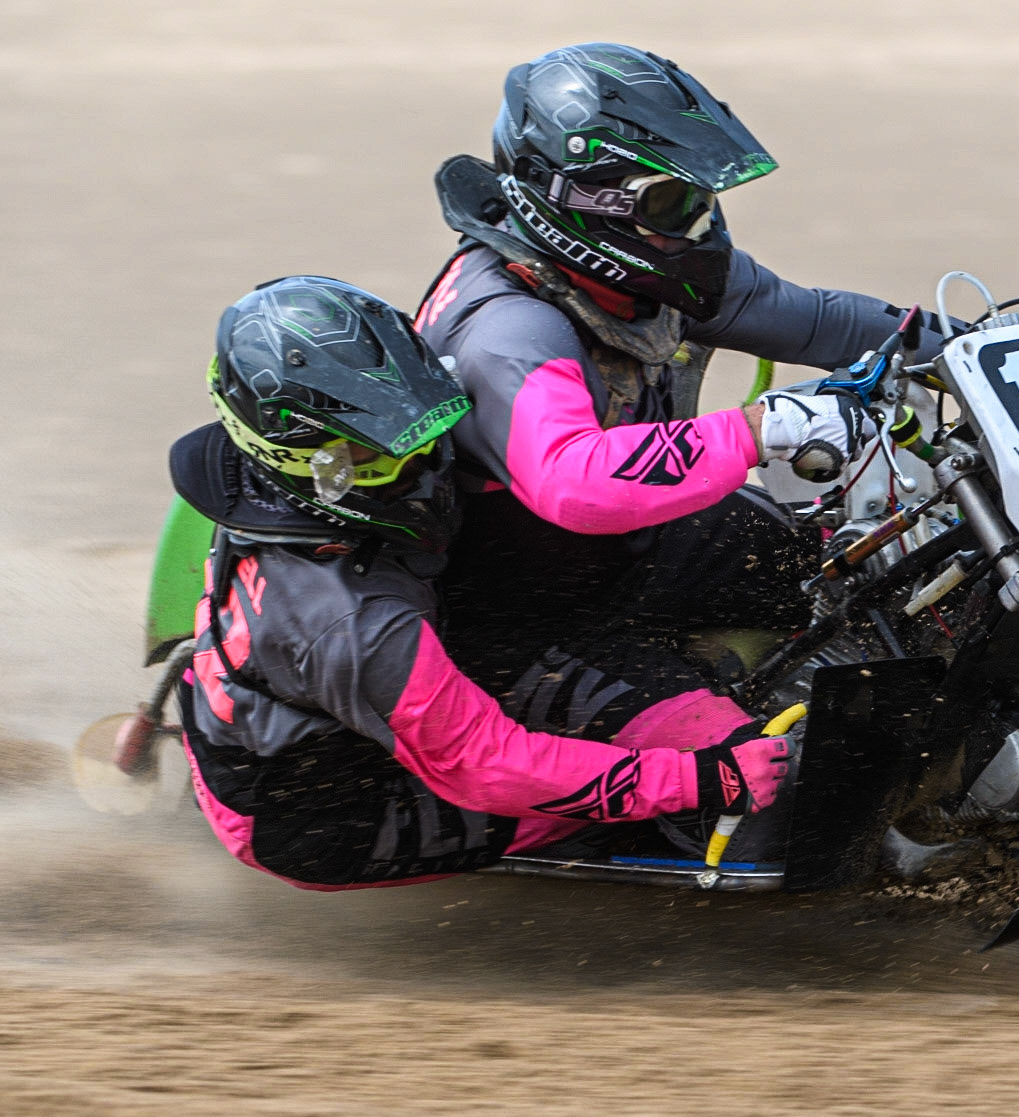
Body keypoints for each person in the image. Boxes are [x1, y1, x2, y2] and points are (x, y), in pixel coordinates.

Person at [172, 276, 791, 890]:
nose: (414, 461)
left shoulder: (262, 480)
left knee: (741, 538)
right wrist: (700, 780)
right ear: (294, 455)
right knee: (748, 799)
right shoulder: (354, 624)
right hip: (326, 812)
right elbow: (484, 764)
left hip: (353, 674)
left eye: (414, 424)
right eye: (372, 455)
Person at [412, 43, 957, 700]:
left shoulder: (642, 268)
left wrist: (981, 347)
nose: (699, 225)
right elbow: (572, 480)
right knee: (750, 767)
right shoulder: (509, 329)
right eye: (673, 202)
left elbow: (818, 322)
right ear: (587, 200)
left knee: (886, 583)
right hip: (522, 632)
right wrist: (761, 428)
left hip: (634, 552)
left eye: (700, 197)